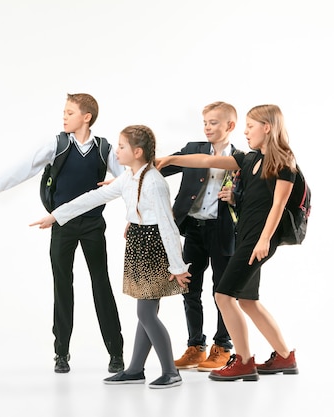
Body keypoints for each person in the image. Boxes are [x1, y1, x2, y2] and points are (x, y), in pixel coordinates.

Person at [0, 93, 125, 374]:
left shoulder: (105, 148)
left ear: (86, 117)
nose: (64, 117)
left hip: (93, 226)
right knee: (62, 288)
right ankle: (61, 354)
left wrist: (133, 212)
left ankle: (116, 352)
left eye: (69, 112)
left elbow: (129, 179)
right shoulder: (57, 144)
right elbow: (25, 166)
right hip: (62, 227)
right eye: (64, 112)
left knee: (101, 286)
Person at [31, 125, 192, 389]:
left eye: (121, 147)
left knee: (147, 314)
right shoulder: (129, 178)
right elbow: (94, 197)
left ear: (137, 152)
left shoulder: (153, 182)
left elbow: (168, 225)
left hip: (154, 246)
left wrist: (177, 265)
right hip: (139, 244)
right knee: (145, 313)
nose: (115, 151)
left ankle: (170, 372)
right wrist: (57, 215)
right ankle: (136, 369)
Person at [156, 104, 299, 381]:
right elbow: (207, 161)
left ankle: (244, 361)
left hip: (255, 241)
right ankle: (285, 356)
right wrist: (172, 160)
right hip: (246, 237)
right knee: (248, 301)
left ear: (267, 127)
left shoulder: (283, 163)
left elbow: (278, 206)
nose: (246, 132)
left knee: (223, 295)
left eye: (250, 126)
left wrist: (264, 241)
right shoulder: (249, 160)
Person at [160, 102, 241, 371]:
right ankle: (196, 346)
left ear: (230, 126)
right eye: (205, 122)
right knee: (189, 288)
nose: (207, 127)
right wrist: (128, 175)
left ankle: (222, 347)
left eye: (214, 122)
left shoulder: (243, 158)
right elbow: (161, 166)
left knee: (223, 291)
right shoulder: (193, 149)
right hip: (193, 228)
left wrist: (235, 196)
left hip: (223, 231)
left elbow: (254, 198)